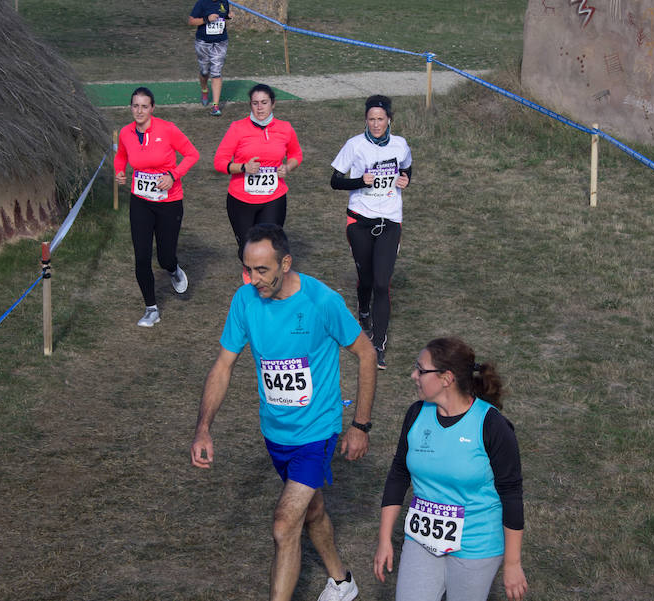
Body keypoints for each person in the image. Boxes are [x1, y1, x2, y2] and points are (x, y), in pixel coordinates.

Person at [190, 224, 377, 601]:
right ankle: (342, 581)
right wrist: (203, 428)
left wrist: (359, 425)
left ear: (285, 263)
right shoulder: (244, 301)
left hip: (317, 432)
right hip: (275, 434)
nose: (253, 279)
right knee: (312, 511)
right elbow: (223, 366)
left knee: (283, 524)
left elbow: (367, 354)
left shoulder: (322, 302)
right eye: (247, 269)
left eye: (262, 270)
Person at [373, 337, 528, 601]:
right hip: (421, 540)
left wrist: (512, 564)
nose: (414, 375)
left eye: (421, 370)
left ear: (446, 378)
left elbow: (511, 494)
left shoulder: (492, 426)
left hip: (475, 545)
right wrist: (385, 538)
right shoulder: (415, 415)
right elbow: (399, 474)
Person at [330, 95, 412, 370]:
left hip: (390, 220)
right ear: (365, 120)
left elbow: (408, 169)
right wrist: (358, 180)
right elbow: (334, 181)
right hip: (359, 220)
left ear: (389, 119)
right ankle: (363, 309)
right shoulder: (354, 145)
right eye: (371, 119)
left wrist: (406, 180)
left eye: (380, 119)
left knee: (381, 282)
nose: (376, 124)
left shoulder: (400, 145)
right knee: (365, 277)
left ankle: (378, 344)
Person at [114, 87, 200, 327]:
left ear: (152, 108)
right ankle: (151, 309)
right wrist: (119, 171)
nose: (139, 111)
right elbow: (121, 156)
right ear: (130, 107)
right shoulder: (126, 133)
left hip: (169, 202)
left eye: (144, 106)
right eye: (135, 106)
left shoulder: (167, 129)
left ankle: (173, 270)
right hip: (140, 201)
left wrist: (173, 175)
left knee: (164, 257)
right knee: (141, 256)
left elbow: (192, 154)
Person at [213, 84, 302, 274]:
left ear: (273, 104)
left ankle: (266, 293)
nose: (260, 108)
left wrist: (288, 167)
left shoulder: (285, 129)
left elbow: (296, 154)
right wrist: (243, 167)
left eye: (264, 103)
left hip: (273, 198)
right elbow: (219, 162)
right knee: (247, 251)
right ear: (250, 105)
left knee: (269, 248)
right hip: (241, 200)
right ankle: (253, 286)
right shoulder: (237, 128)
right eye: (255, 103)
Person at [188, 0, 231, 116]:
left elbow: (223, 15)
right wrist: (206, 19)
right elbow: (191, 21)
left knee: (216, 72)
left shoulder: (224, 2)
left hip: (220, 42)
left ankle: (215, 106)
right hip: (203, 42)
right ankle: (204, 90)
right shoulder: (201, 3)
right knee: (204, 71)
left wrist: (228, 16)